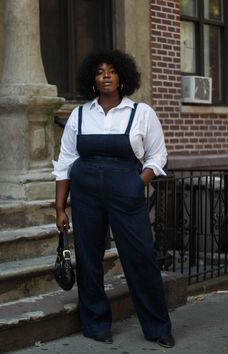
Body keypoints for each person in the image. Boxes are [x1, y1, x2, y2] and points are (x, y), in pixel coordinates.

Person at [52, 49, 174, 348]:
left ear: (122, 77)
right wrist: (59, 207)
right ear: (92, 80)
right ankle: (95, 325)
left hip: (126, 191)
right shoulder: (79, 115)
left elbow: (158, 155)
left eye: (111, 70)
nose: (105, 75)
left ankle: (158, 327)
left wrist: (137, 182)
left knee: (141, 257)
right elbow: (65, 161)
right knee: (89, 259)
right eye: (99, 71)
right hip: (85, 193)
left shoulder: (141, 113)